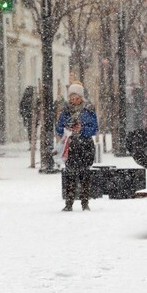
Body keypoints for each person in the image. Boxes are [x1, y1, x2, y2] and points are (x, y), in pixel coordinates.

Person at [56, 83, 98, 211]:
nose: (74, 100)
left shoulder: (88, 110)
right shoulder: (65, 111)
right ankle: (69, 203)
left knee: (85, 175)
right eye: (72, 97)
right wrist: (66, 129)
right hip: (71, 146)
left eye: (77, 97)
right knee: (70, 175)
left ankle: (85, 203)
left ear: (81, 97)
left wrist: (82, 130)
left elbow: (94, 128)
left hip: (85, 146)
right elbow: (58, 128)